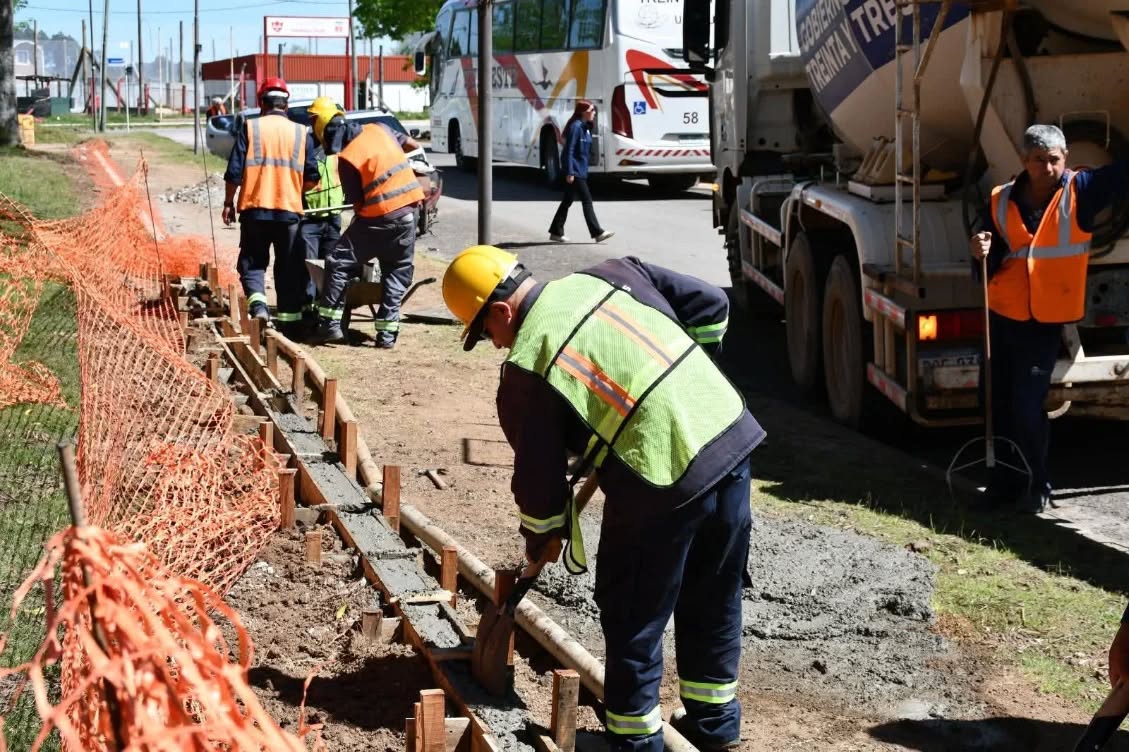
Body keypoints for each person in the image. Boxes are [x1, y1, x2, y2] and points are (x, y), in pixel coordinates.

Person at [441, 246, 765, 751]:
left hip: (661, 476)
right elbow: (710, 306)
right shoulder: (614, 273)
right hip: (727, 436)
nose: (495, 344)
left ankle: (635, 741)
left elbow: (539, 485)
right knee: (713, 591)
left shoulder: (527, 365)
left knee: (633, 608)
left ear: (501, 311)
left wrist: (542, 537)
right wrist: (683, 385)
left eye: (485, 333)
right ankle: (714, 725)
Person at [970, 123, 1129, 513]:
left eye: (1054, 159)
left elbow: (1122, 175)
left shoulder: (1081, 191)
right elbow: (987, 254)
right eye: (1039, 160)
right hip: (1002, 314)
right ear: (1025, 160)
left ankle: (1037, 484)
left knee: (1026, 405)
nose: (1048, 168)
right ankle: (1003, 484)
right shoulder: (1000, 199)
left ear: (1066, 158)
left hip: (1043, 322)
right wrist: (980, 248)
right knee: (995, 402)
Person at [311, 117, 425, 348]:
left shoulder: (348, 158)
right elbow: (412, 144)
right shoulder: (380, 128)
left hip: (379, 217)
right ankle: (386, 336)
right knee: (395, 271)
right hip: (410, 211)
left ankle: (330, 326)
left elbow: (358, 204)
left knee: (337, 261)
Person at [222, 77, 320, 331]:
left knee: (253, 262)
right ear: (286, 106)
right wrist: (292, 190)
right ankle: (289, 325)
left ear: (262, 104)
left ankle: (259, 307)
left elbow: (233, 174)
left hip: (254, 209)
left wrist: (228, 203)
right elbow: (312, 178)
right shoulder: (301, 133)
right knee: (289, 267)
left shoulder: (250, 128)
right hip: (289, 212)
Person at [296, 97, 350, 332]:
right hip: (309, 216)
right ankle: (308, 310)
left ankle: (326, 310)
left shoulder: (339, 144)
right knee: (309, 267)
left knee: (331, 267)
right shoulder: (305, 145)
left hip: (333, 215)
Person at [548, 100, 614, 244]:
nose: (594, 113)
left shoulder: (585, 128)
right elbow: (569, 150)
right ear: (583, 112)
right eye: (591, 110)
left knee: (567, 201)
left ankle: (556, 231)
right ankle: (597, 232)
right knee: (587, 200)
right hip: (575, 171)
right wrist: (570, 171)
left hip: (581, 170)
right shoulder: (576, 127)